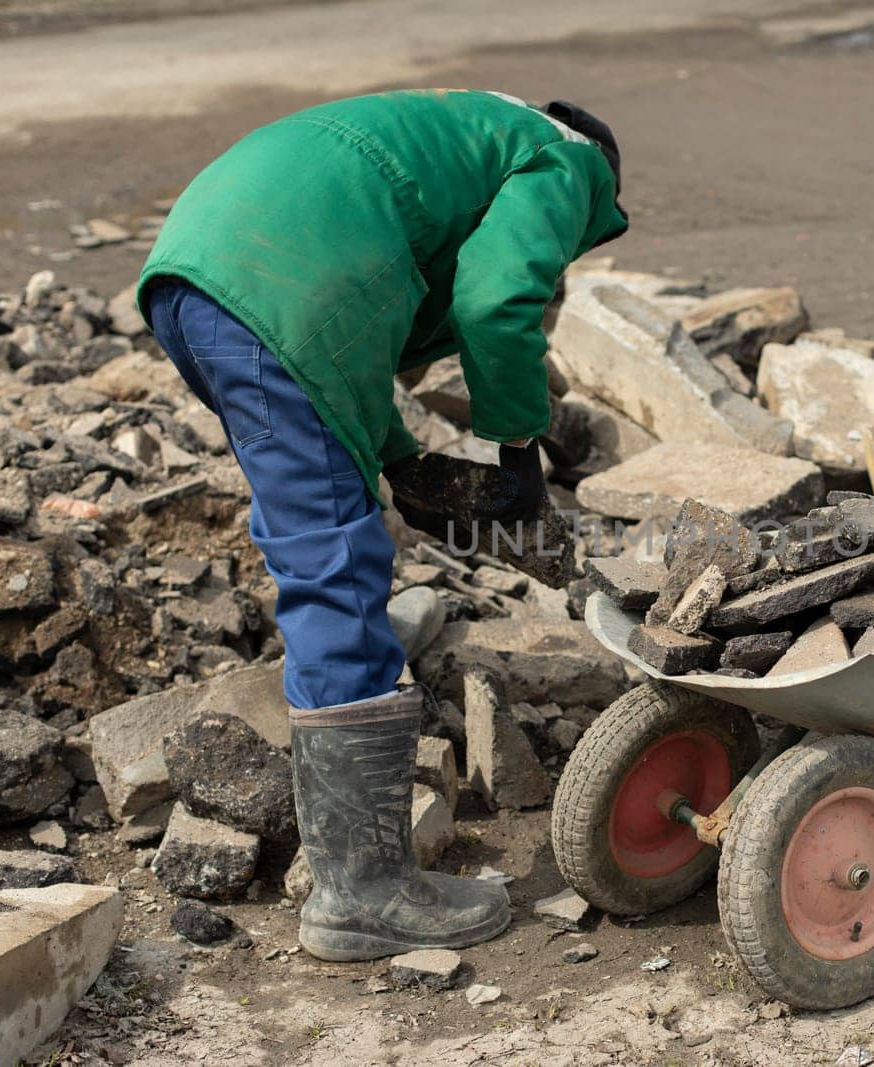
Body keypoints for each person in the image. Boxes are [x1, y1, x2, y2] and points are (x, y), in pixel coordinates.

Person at [136, 89, 627, 961]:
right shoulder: (567, 159)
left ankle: (355, 879)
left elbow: (333, 345)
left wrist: (401, 459)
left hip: (197, 275)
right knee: (334, 561)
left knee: (322, 522)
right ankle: (361, 891)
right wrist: (520, 452)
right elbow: (494, 300)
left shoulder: (456, 130)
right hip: (273, 289)